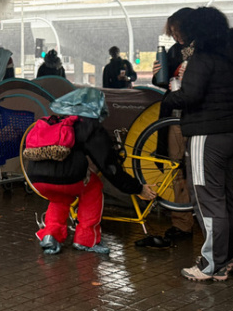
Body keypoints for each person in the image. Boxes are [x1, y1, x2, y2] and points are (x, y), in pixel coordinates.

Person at [162, 7, 233, 281]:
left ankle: (211, 264)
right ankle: (226, 259)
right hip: (232, 133)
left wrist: (170, 95)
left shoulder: (203, 58)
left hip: (206, 134)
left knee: (207, 201)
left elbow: (191, 96)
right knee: (225, 197)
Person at [28, 88, 156, 255]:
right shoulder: (90, 126)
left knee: (60, 197)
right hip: (67, 178)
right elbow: (109, 168)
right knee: (93, 186)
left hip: (37, 178)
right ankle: (86, 240)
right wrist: (137, 188)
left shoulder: (59, 120)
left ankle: (50, 236)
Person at [152, 7, 195, 242]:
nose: (176, 36)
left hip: (198, 118)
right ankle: (182, 223)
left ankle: (206, 221)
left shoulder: (205, 49)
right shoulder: (174, 51)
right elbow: (164, 82)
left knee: (200, 172)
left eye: (178, 30)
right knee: (177, 169)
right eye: (173, 32)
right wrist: (157, 74)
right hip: (175, 117)